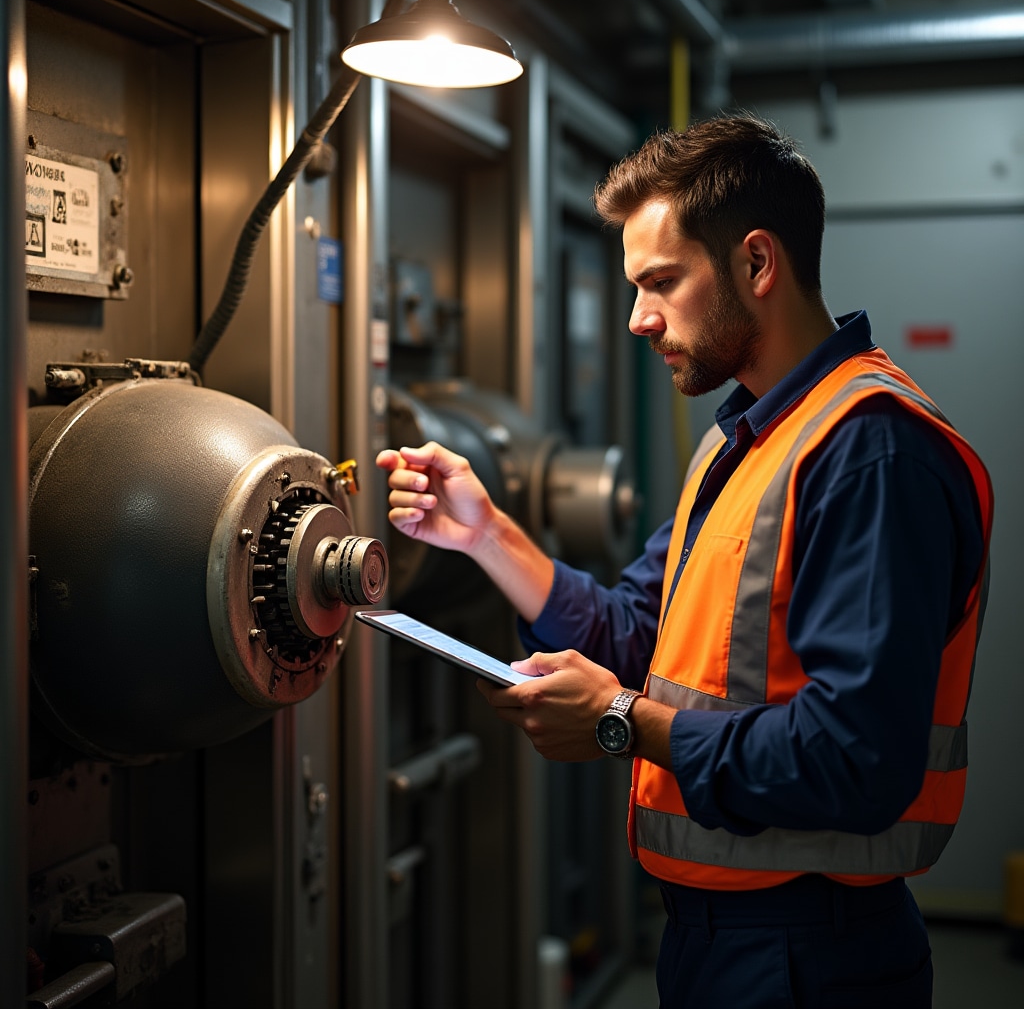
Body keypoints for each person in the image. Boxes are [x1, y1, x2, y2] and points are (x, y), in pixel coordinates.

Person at [376, 114, 993, 1008]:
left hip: (812, 957)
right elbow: (639, 631)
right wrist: (485, 535)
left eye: (661, 281)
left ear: (755, 263)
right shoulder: (746, 442)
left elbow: (858, 760)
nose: (637, 318)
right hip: (717, 943)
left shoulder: (870, 454)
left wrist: (624, 721)